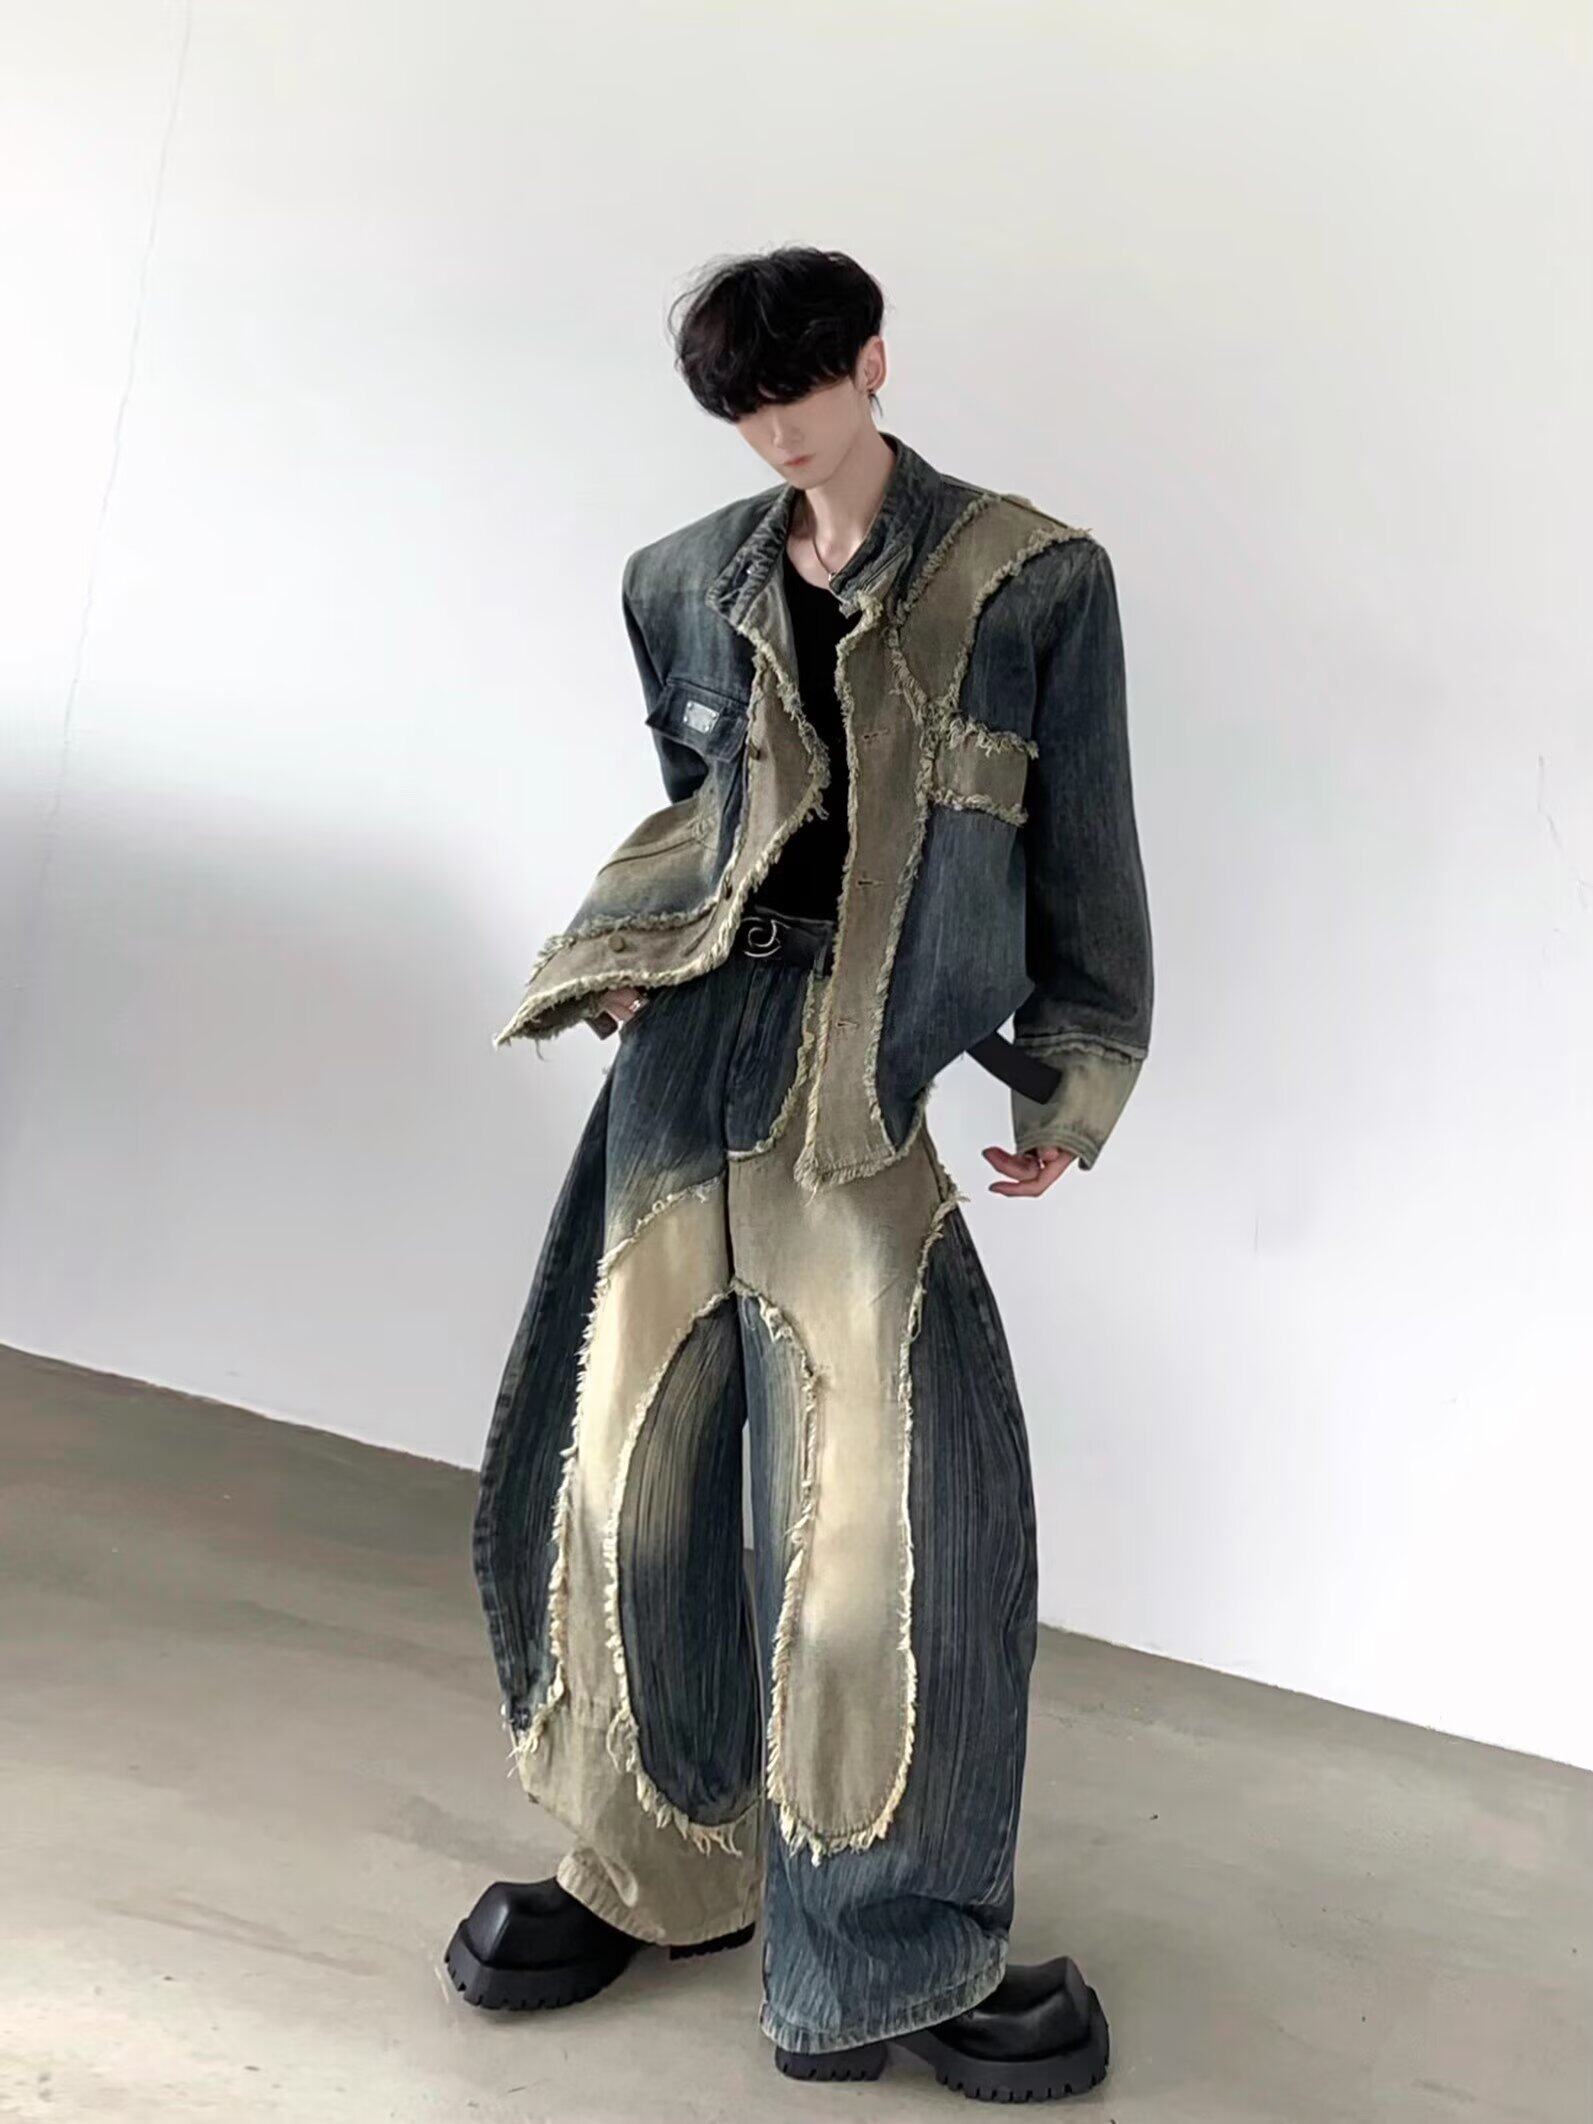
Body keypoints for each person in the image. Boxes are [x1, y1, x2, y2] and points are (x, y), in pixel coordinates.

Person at [446, 246, 1153, 2103]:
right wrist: (637, 948)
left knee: (882, 1525)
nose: (774, 432)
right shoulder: (679, 577)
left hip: (860, 1076)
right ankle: (652, 1861)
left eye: (798, 391)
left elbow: (1084, 847)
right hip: (687, 1061)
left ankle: (888, 1940)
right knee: (630, 1479)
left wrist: (1073, 1071)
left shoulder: (1028, 577)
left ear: (871, 363)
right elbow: (708, 810)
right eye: (742, 406)